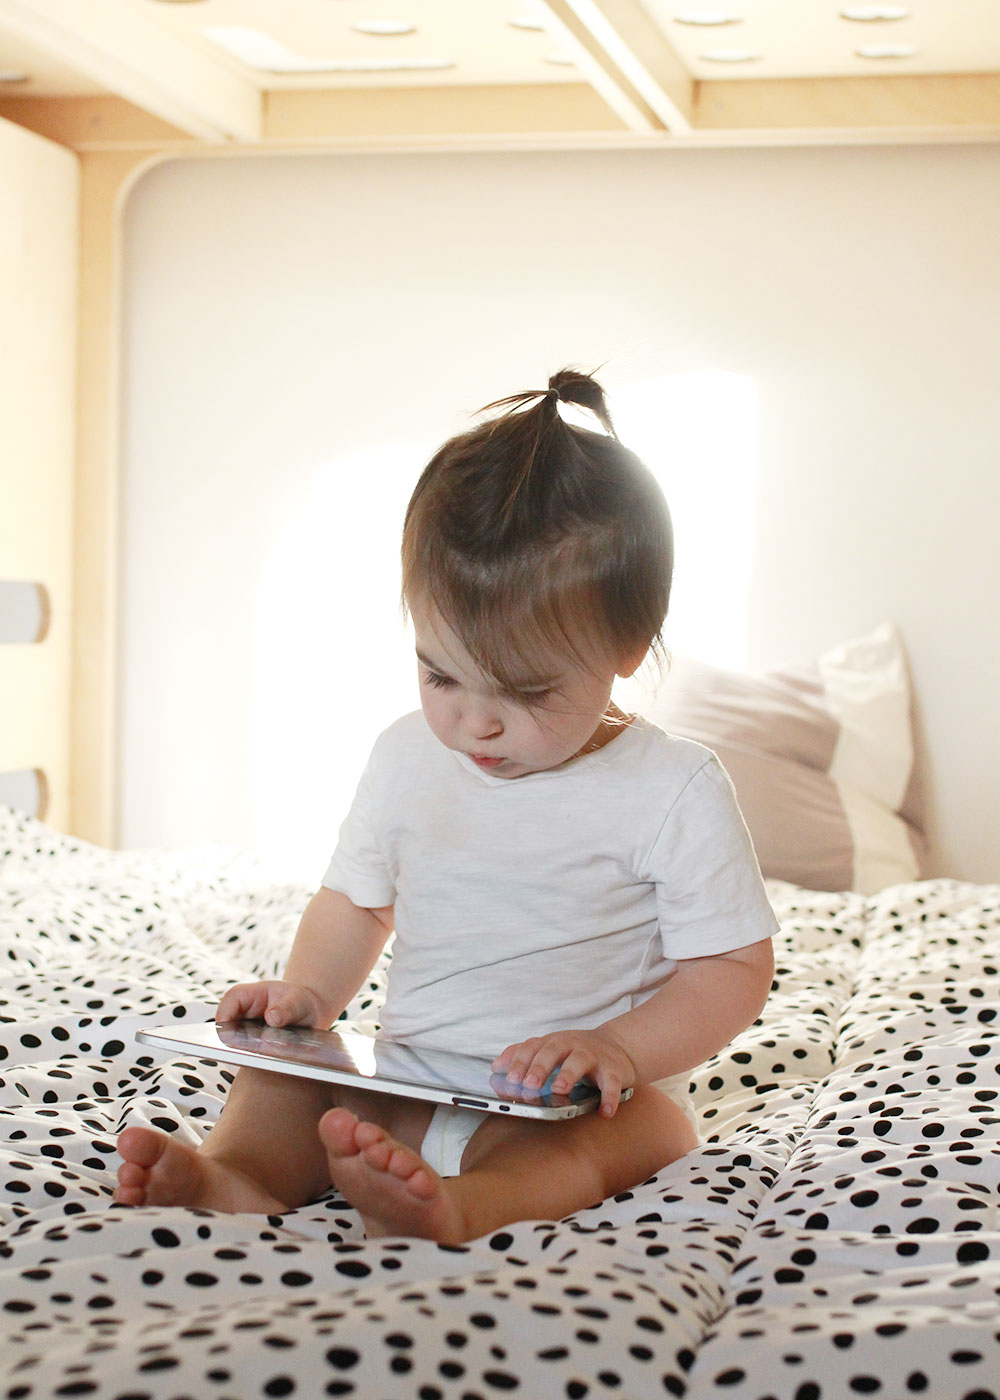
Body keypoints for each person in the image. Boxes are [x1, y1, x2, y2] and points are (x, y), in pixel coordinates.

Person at [115, 367, 776, 1243]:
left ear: (629, 646)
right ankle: (237, 1178)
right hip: (409, 1075)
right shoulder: (406, 755)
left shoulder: (672, 788)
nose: (474, 722)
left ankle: (466, 1206)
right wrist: (308, 996)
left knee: (644, 1130)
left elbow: (731, 969)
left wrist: (615, 1050)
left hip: (559, 1102)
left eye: (525, 691)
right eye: (439, 674)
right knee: (284, 1079)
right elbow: (358, 901)